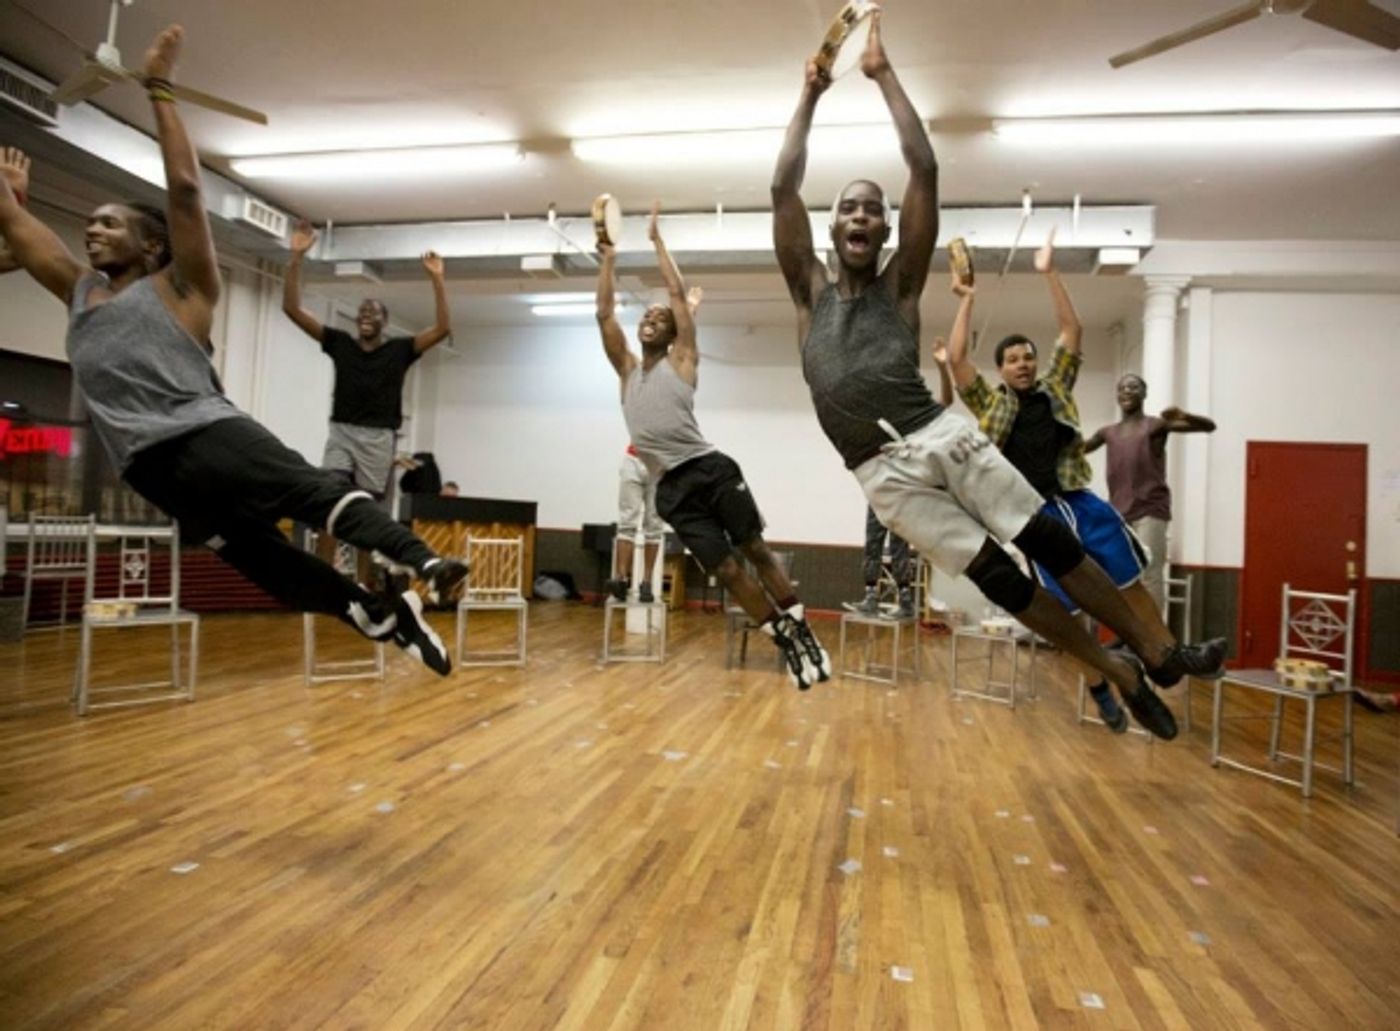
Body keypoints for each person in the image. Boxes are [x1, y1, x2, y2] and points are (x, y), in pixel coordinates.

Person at [771, 9, 1222, 737]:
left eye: (872, 211)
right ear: (832, 228)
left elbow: (925, 169)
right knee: (1003, 581)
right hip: (880, 476)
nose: (860, 215)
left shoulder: (901, 286)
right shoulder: (807, 292)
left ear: (885, 232)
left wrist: (884, 79)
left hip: (938, 437)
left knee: (1050, 542)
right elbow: (779, 192)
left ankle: (1154, 647)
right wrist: (810, 97)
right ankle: (1114, 670)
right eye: (848, 207)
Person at [0, 27, 463, 675]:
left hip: (207, 433)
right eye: (92, 221)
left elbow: (186, 191)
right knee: (262, 563)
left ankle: (424, 561)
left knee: (313, 494)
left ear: (154, 245)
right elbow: (24, 236)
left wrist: (160, 87)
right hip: (152, 470)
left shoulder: (183, 288)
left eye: (111, 221)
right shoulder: (80, 293)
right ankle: (379, 615)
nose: (94, 228)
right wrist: (9, 200)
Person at [946, 234, 1225, 732]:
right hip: (1035, 516)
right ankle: (1105, 683)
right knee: (1072, 614)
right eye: (1013, 360)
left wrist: (1049, 271)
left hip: (1079, 500)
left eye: (1028, 356)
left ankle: (1168, 658)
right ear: (1002, 371)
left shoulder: (1055, 388)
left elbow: (1071, 330)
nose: (1024, 363)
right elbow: (960, 361)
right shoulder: (991, 405)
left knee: (1129, 580)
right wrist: (966, 300)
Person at [596, 202, 830, 690]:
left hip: (710, 468)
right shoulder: (626, 372)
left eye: (661, 316)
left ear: (675, 332)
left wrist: (658, 242)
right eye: (648, 315)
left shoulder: (683, 359)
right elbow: (603, 314)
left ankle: (801, 624)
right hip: (672, 490)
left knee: (755, 549)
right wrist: (608, 258)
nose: (652, 317)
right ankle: (781, 635)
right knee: (725, 569)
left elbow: (677, 293)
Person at [282, 220, 451, 498]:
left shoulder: (400, 350)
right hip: (342, 430)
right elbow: (291, 309)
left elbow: (442, 329)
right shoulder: (340, 343)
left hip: (378, 436)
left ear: (384, 321)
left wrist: (437, 280)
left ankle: (361, 543)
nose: (366, 316)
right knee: (331, 494)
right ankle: (329, 542)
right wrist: (296, 257)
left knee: (365, 504)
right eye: (362, 312)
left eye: (373, 313)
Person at [1084, 375, 1216, 612]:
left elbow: (1208, 426)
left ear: (1144, 394)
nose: (1127, 391)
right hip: (1119, 513)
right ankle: (1130, 636)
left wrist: (1186, 416)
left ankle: (1156, 642)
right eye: (1122, 388)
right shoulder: (1107, 432)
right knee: (1125, 576)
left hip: (1150, 510)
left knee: (1149, 573)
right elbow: (1079, 449)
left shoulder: (1156, 425)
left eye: (1133, 387)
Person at [846, 339, 952, 620]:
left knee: (900, 541)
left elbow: (946, 402)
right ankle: (871, 596)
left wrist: (943, 368)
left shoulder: (913, 412)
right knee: (873, 538)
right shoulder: (876, 413)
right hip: (879, 484)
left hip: (906, 486)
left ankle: (905, 599)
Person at [607, 445, 664, 603]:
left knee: (654, 524)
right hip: (634, 459)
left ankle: (647, 583)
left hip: (659, 463)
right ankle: (621, 580)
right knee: (627, 522)